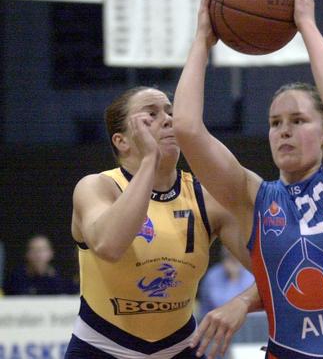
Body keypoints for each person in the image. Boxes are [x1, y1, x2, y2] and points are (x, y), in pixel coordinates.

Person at [173, 0, 323, 358]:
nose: (283, 131)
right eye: (275, 123)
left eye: (298, 121)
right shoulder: (252, 197)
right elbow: (187, 129)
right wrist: (202, 41)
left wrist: (306, 24)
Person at [64, 86, 251, 358]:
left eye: (170, 112)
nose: (168, 119)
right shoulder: (97, 187)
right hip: (101, 345)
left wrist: (244, 302)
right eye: (150, 114)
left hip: (178, 347)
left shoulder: (206, 198)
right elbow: (109, 246)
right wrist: (150, 159)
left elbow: (275, 271)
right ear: (122, 141)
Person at [4, 233, 77, 295]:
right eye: (33, 250)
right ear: (27, 254)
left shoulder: (62, 279)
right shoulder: (15, 279)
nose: (38, 255)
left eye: (42, 250)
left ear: (51, 253)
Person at [198, 247, 255, 319]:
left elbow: (242, 310)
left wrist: (234, 277)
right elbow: (221, 308)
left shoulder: (251, 274)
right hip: (215, 326)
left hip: (249, 326)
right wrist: (233, 278)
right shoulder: (212, 275)